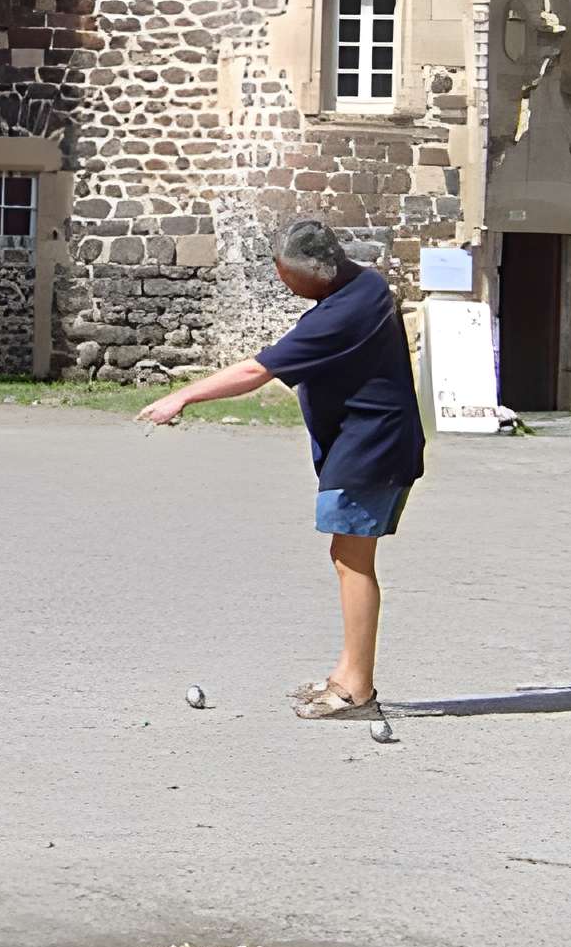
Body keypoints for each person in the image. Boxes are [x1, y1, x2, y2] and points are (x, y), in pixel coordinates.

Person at [136, 216, 425, 719]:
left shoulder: (341, 312)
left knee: (353, 560)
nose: (280, 279)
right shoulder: (366, 287)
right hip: (366, 445)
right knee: (346, 554)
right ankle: (346, 674)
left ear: (314, 271)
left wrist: (181, 397)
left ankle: (356, 689)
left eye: (284, 271)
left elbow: (255, 371)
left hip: (373, 449)